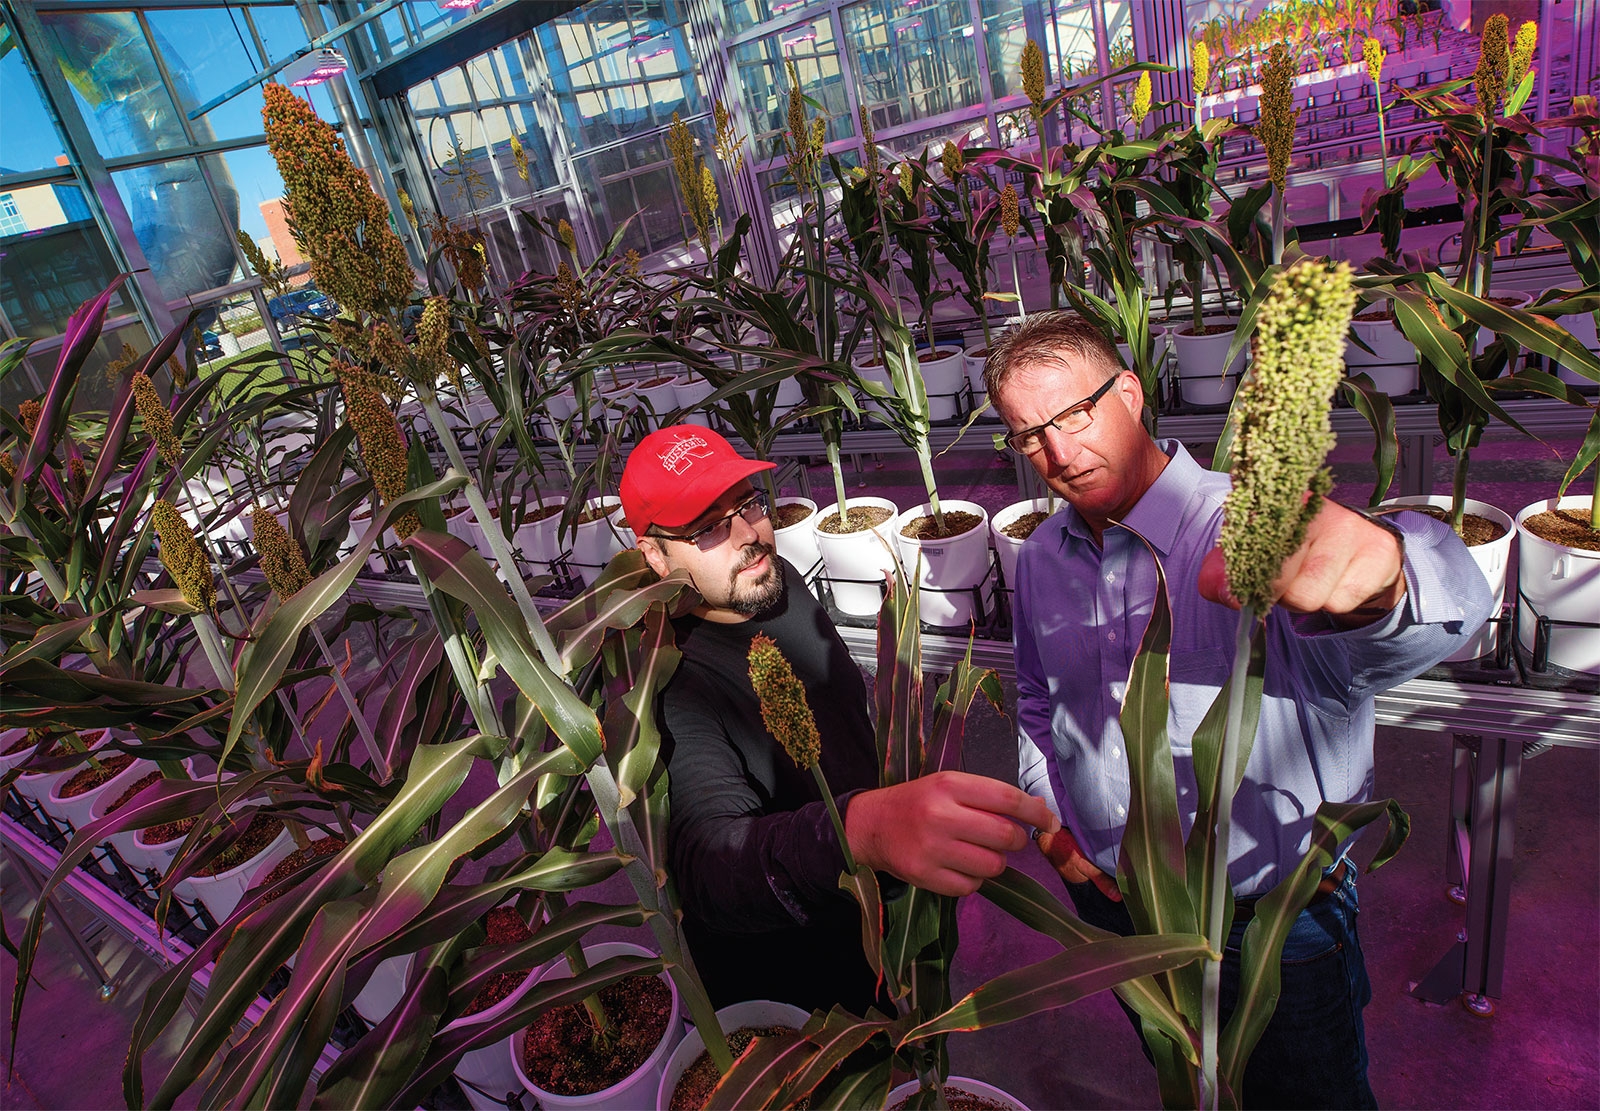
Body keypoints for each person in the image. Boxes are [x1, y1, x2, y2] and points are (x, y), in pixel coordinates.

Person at [986, 313, 1493, 1109]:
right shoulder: (1043, 558)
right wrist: (1053, 826)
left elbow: (1423, 628)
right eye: (1028, 436)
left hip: (1272, 923)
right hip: (1117, 899)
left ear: (1129, 392)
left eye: (1072, 413)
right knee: (1188, 1085)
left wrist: (1384, 582)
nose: (1056, 453)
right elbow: (1037, 698)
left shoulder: (1248, 528)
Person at [621, 424, 1058, 1014]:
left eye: (748, 503)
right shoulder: (669, 686)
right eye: (708, 527)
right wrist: (862, 828)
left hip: (874, 927)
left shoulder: (774, 585)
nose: (749, 534)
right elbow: (710, 861)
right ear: (653, 554)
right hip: (801, 991)